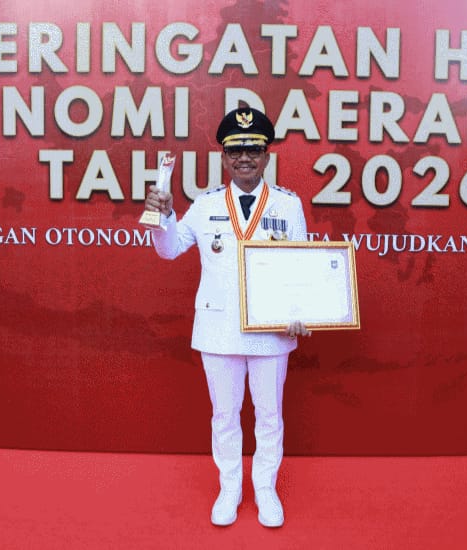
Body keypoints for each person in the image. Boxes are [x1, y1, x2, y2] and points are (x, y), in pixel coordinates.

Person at [144, 107, 310, 528]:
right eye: (236, 151)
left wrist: (300, 312)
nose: (245, 158)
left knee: (269, 416)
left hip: (271, 332)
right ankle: (230, 487)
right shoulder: (205, 205)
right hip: (218, 330)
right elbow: (169, 249)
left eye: (253, 150)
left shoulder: (289, 205)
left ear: (267, 156)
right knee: (224, 415)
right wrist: (162, 216)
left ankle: (266, 488)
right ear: (224, 157)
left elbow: (302, 269)